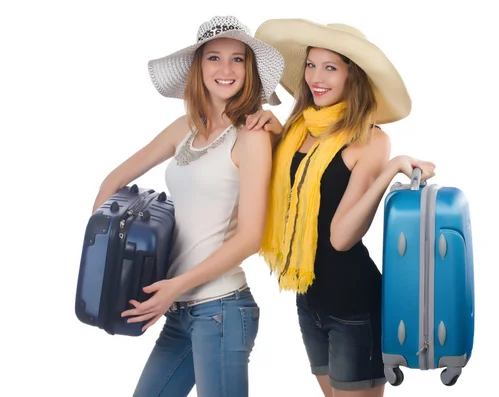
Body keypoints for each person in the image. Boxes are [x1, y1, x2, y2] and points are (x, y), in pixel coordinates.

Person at [91, 16, 284, 397]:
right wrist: (102, 254)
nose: (225, 70)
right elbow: (112, 181)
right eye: (214, 58)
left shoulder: (252, 135)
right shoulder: (185, 128)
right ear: (199, 67)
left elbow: (250, 238)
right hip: (179, 311)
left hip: (222, 309)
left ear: (250, 70)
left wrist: (173, 287)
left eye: (238, 59)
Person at [252, 19, 436, 397]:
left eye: (330, 67)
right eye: (311, 65)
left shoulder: (370, 140)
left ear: (353, 76)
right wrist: (270, 134)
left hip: (354, 307)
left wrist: (389, 170)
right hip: (308, 299)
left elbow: (340, 237)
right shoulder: (297, 130)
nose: (316, 77)